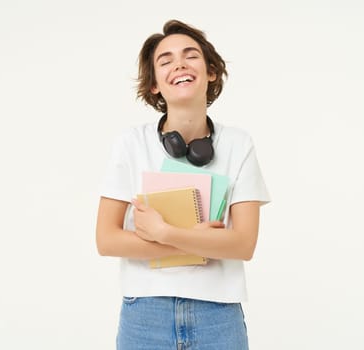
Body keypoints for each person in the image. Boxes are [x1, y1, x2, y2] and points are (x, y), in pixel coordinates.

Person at [96, 19, 271, 350]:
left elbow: (244, 244)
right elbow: (106, 239)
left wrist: (166, 233)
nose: (179, 64)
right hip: (145, 314)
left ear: (211, 72)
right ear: (154, 86)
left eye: (190, 55)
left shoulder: (238, 144)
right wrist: (201, 243)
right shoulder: (130, 144)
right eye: (165, 60)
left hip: (218, 316)